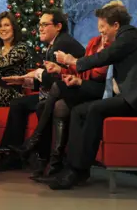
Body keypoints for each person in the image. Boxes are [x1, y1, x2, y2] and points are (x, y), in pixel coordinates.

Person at [49, 1, 137, 190]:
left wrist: (74, 61)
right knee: (79, 111)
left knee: (96, 109)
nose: (101, 32)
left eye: (103, 28)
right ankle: (72, 167)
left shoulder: (130, 36)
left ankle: (79, 169)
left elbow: (105, 56)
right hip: (132, 96)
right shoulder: (126, 37)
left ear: (116, 25)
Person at [0, 10, 85, 171]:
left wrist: (29, 76)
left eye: (45, 25)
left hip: (71, 93)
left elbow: (55, 79)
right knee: (18, 104)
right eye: (40, 25)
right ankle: (13, 154)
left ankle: (42, 158)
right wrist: (24, 80)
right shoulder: (53, 44)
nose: (40, 29)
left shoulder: (63, 44)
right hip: (52, 92)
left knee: (41, 106)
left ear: (58, 26)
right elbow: (46, 78)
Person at [19, 33, 109, 182]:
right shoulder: (94, 42)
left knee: (57, 88)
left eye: (105, 27)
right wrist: (63, 70)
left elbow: (98, 73)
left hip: (97, 91)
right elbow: (83, 70)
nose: (102, 31)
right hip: (83, 86)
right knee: (54, 106)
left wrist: (71, 62)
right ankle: (52, 162)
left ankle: (35, 141)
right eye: (101, 27)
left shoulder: (112, 46)